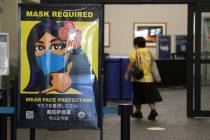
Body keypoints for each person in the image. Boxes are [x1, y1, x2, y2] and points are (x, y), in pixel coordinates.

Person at [124, 36, 162, 120]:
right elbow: (152, 62)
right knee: (150, 96)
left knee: (137, 96)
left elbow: (131, 64)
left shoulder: (135, 52)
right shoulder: (149, 51)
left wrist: (126, 73)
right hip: (149, 78)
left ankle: (138, 112)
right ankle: (153, 110)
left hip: (138, 78)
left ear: (136, 44)